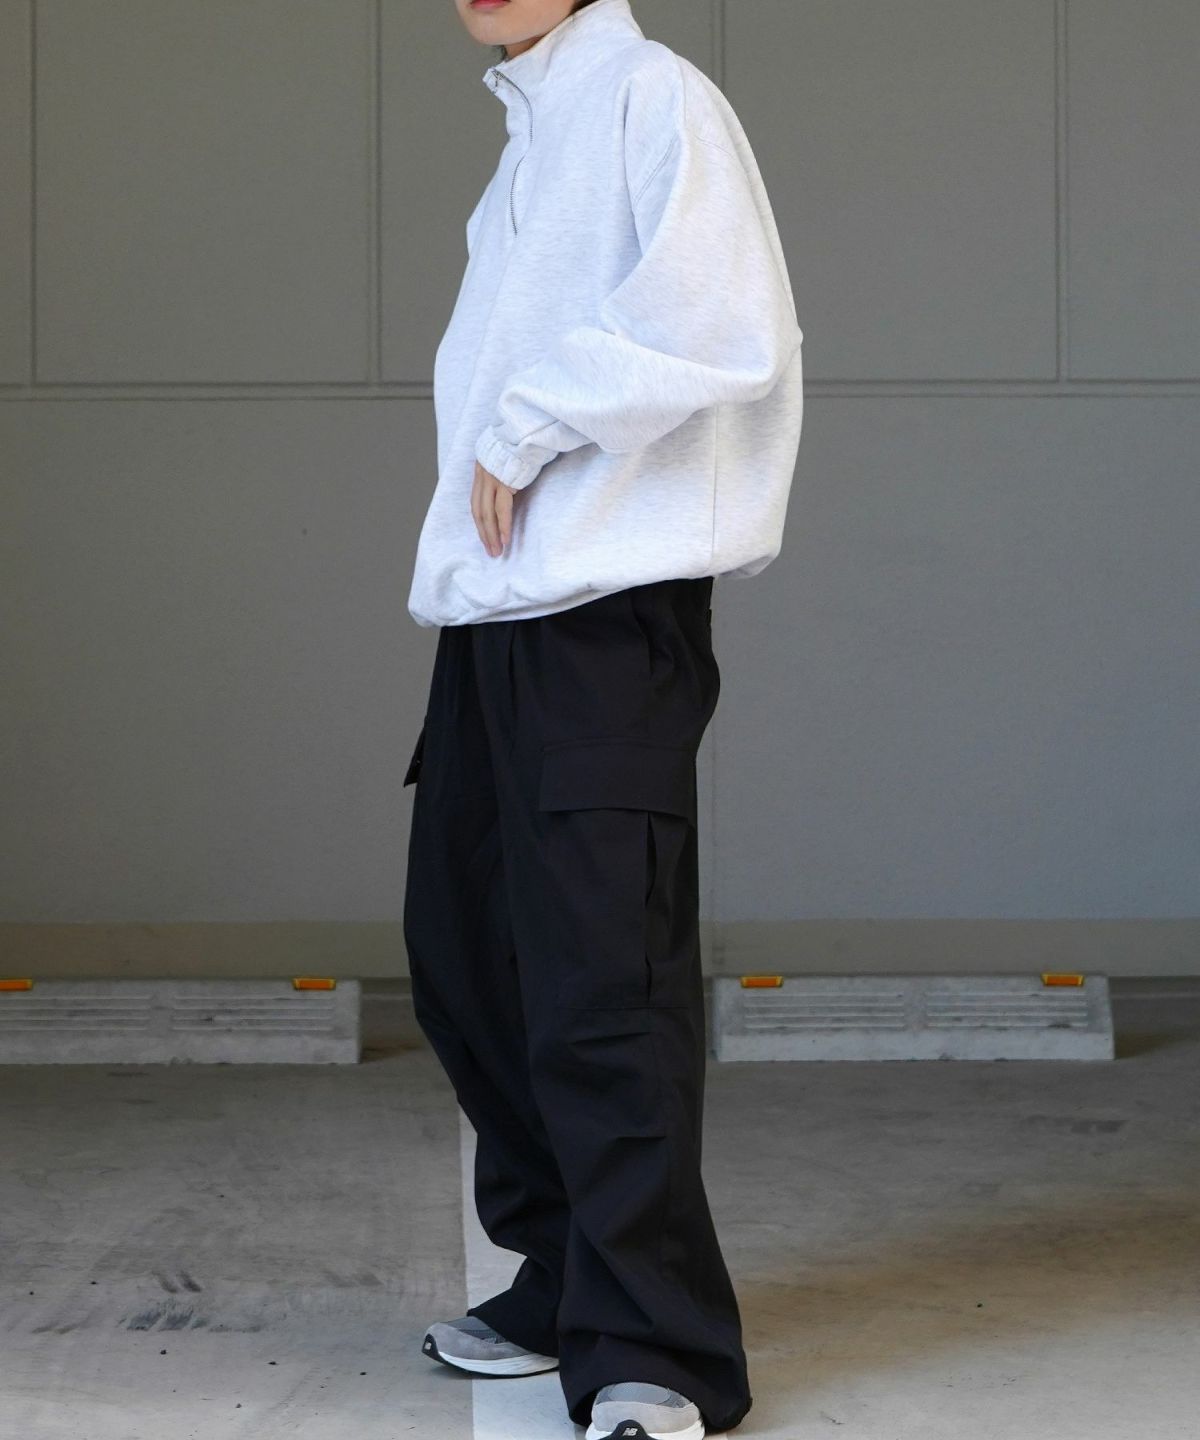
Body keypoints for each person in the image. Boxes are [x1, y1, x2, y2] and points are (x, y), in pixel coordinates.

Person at [403, 1, 804, 1435]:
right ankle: (563, 1273)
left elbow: (725, 325)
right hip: (496, 616)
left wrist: (524, 426)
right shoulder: (533, 131)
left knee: (599, 989)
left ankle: (656, 1348)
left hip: (604, 618)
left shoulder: (652, 95)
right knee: (472, 961)